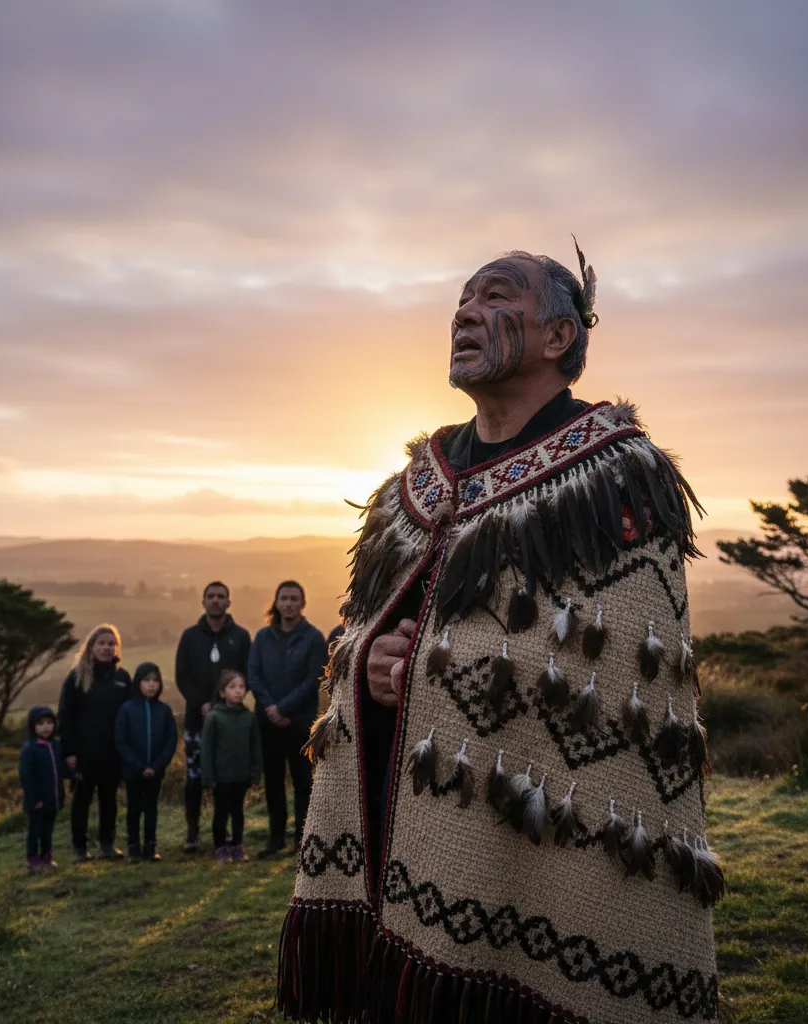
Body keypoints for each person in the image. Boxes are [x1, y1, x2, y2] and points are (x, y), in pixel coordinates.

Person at [278, 242, 722, 1024]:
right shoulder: (407, 489)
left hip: (542, 839)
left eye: (495, 296)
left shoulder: (616, 476)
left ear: (559, 337)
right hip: (395, 823)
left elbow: (615, 674)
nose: (465, 313)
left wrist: (419, 669)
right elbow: (357, 633)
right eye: (461, 299)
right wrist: (366, 660)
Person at [248, 580, 327, 858]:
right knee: (273, 781)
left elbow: (312, 680)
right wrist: (271, 708)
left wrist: (283, 708)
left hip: (300, 721)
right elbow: (254, 676)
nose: (289, 604)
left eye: (295, 598)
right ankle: (275, 839)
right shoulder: (262, 638)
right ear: (276, 602)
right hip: (267, 722)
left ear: (303, 604)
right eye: (284, 598)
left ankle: (302, 840)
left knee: (303, 781)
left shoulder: (314, 638)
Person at [175, 581, 251, 854]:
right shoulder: (190, 636)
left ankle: (229, 832)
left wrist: (220, 704)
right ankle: (192, 832)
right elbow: (181, 677)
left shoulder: (241, 637)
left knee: (228, 781)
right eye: (211, 596)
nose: (216, 600)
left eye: (221, 596)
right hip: (197, 720)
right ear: (203, 601)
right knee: (194, 778)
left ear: (229, 602)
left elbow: (246, 675)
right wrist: (202, 704)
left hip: (229, 722)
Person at [57, 624, 132, 863]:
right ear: (91, 646)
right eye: (102, 643)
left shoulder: (123, 678)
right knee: (82, 802)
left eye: (111, 644)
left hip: (112, 752)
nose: (107, 648)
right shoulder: (77, 677)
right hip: (83, 753)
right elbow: (65, 716)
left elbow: (129, 716)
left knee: (109, 801)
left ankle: (107, 845)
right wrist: (69, 752)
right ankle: (80, 848)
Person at [114, 661, 178, 862]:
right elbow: (120, 740)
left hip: (156, 771)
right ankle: (133, 848)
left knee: (151, 808)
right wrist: (137, 765)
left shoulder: (164, 710)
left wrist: (158, 765)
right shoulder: (126, 709)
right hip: (133, 771)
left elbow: (171, 740)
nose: (151, 685)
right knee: (133, 808)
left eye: (155, 681)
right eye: (146, 680)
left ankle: (150, 847)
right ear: (138, 683)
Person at [200, 668, 263, 864]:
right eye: (232, 687)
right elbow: (207, 750)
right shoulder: (214, 717)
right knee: (221, 813)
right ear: (222, 692)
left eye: (241, 687)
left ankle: (237, 845)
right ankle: (220, 847)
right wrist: (208, 778)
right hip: (221, 777)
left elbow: (256, 747)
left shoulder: (249, 717)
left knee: (238, 812)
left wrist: (256, 774)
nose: (238, 691)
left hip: (241, 775)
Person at [18, 705, 65, 874]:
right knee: (35, 831)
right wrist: (34, 798)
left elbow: (61, 769)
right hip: (37, 801)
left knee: (48, 831)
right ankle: (33, 860)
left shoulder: (56, 746)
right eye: (41, 724)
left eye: (49, 722)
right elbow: (26, 776)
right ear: (33, 727)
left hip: (53, 798)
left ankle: (47, 856)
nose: (46, 727)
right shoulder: (30, 749)